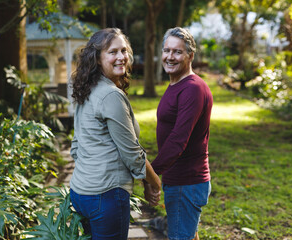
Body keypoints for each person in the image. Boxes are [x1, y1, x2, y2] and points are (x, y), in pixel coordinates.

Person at [69, 28, 161, 240]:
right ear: (97, 59)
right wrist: (155, 183)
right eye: (112, 52)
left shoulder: (88, 88)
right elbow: (132, 154)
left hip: (81, 192)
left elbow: (76, 146)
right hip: (105, 196)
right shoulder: (110, 95)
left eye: (123, 51)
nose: (121, 57)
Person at [145, 27, 213, 240]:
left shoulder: (192, 88)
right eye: (167, 50)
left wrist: (150, 174)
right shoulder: (176, 84)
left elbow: (178, 140)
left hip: (187, 183)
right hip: (179, 181)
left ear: (190, 56)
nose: (169, 57)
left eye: (177, 52)